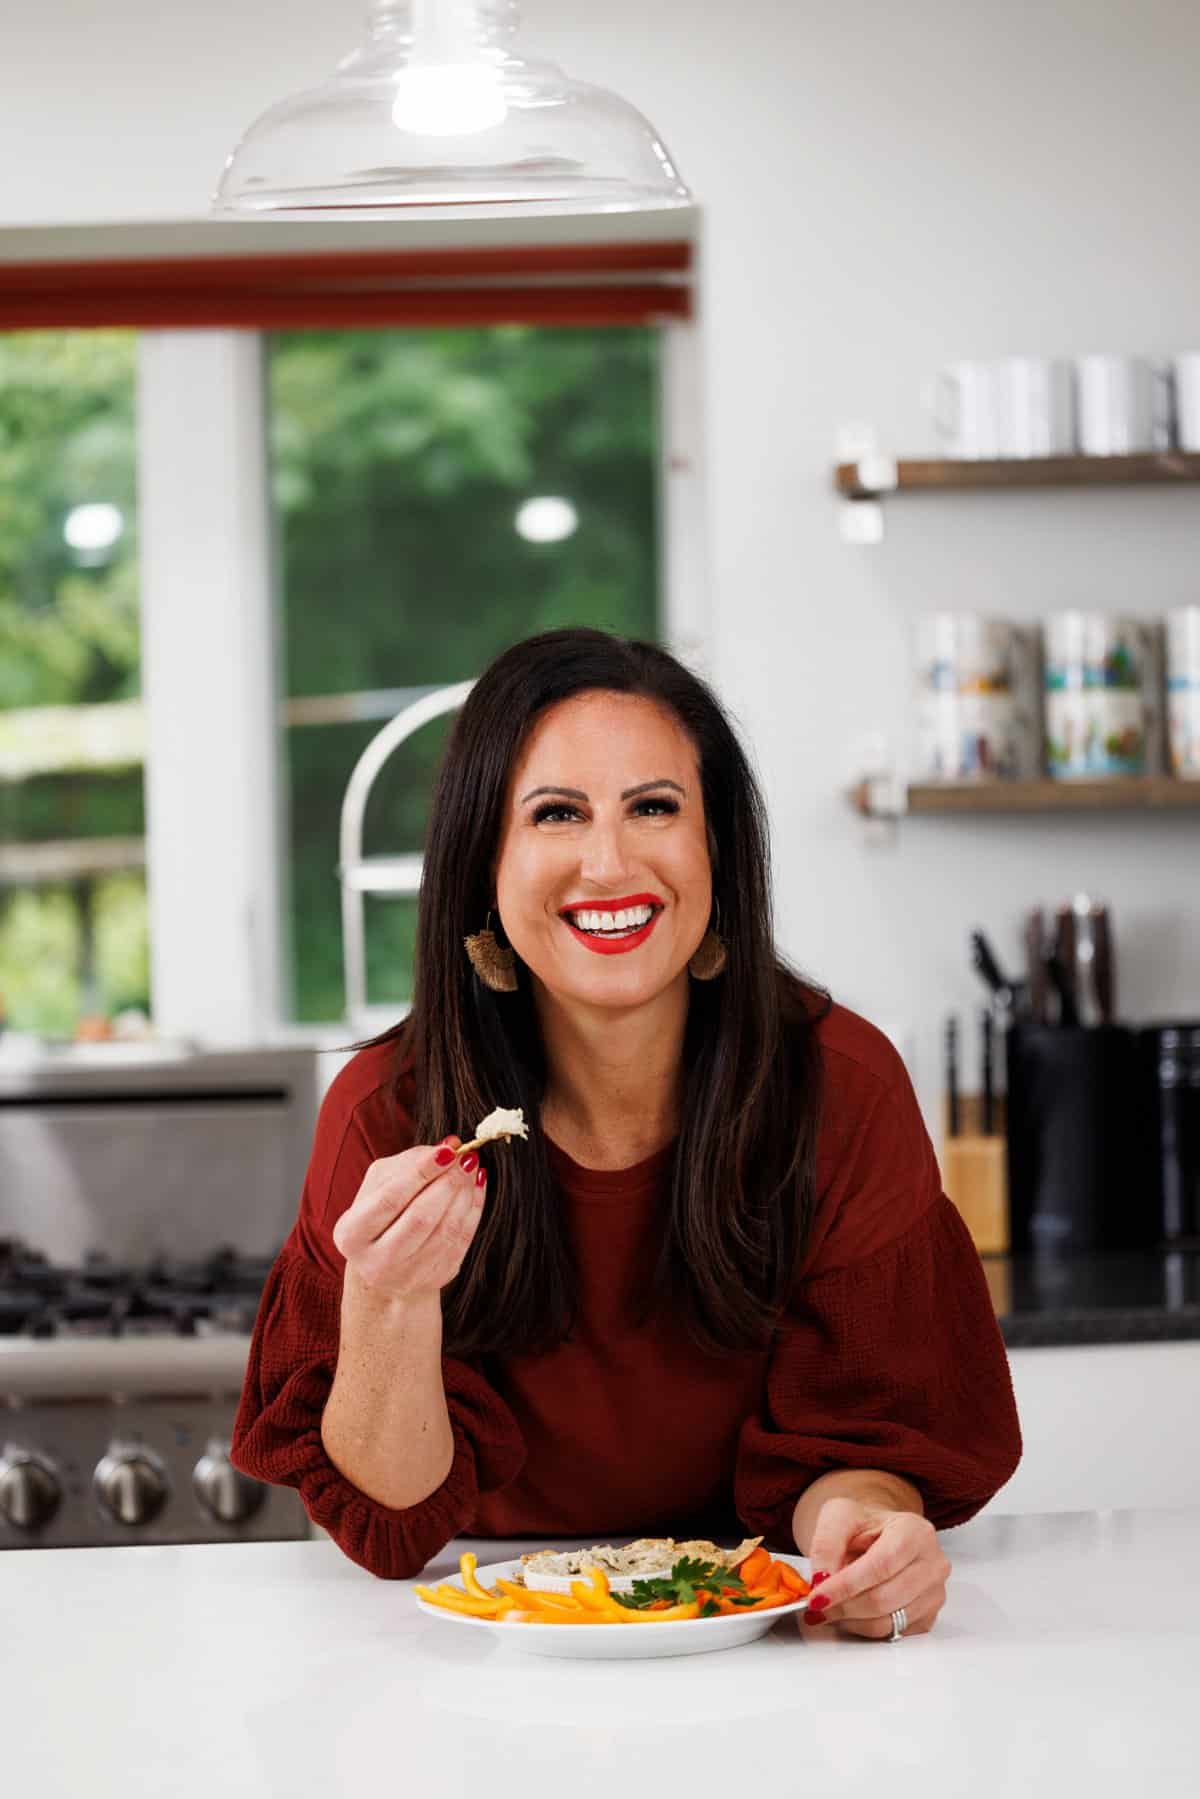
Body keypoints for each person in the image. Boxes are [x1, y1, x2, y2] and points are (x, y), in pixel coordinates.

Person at [231, 628, 1021, 1641]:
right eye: (556, 813)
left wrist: (864, 1533)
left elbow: (858, 1443)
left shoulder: (841, 1088)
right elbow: (388, 1521)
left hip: (766, 1637)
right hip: (481, 1651)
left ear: (716, 849)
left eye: (654, 807)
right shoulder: (389, 1108)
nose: (608, 861)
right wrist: (391, 1296)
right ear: (485, 859)